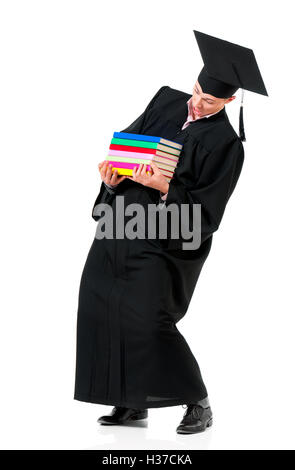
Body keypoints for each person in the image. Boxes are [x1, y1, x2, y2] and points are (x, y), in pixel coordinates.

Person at [73, 30, 268, 434]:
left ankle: (198, 401)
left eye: (209, 100)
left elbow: (209, 211)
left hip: (166, 237)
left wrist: (164, 186)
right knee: (100, 304)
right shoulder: (165, 99)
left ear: (229, 101)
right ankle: (129, 402)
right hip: (120, 223)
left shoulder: (227, 145)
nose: (196, 103)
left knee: (148, 318)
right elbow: (125, 148)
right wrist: (111, 181)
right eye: (196, 91)